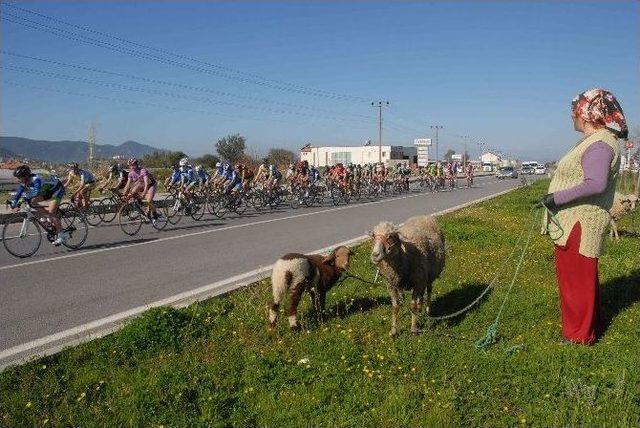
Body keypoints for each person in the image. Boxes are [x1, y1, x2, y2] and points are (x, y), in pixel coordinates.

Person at [539, 88, 627, 345]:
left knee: (577, 282)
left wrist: (556, 198)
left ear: (589, 114)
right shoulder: (596, 140)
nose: (572, 116)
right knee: (577, 279)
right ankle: (583, 328)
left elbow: (595, 184)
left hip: (580, 223)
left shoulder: (600, 143)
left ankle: (579, 336)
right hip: (574, 221)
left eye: (575, 110)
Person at [9, 165, 68, 245]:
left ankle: (62, 235)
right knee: (32, 202)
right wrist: (13, 202)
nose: (18, 179)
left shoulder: (36, 179)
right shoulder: (25, 181)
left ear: (26, 176)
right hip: (47, 191)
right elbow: (19, 192)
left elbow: (35, 192)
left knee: (52, 213)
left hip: (57, 190)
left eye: (19, 177)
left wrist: (22, 200)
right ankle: (46, 216)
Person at [122, 158, 159, 222]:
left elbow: (147, 184)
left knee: (149, 201)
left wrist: (144, 194)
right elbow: (127, 185)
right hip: (141, 184)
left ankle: (155, 213)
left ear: (137, 164)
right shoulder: (130, 173)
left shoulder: (143, 171)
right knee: (133, 191)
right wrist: (124, 194)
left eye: (133, 165)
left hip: (151, 185)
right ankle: (141, 205)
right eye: (130, 165)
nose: (132, 167)